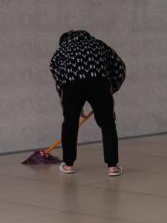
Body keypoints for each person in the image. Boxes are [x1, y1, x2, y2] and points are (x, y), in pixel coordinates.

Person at [49, 30, 126, 176]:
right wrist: (111, 88)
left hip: (71, 85)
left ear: (64, 41)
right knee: (107, 123)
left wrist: (66, 100)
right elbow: (119, 65)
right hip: (99, 82)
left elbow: (57, 75)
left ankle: (68, 165)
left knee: (70, 123)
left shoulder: (61, 51)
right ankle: (113, 166)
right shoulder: (99, 44)